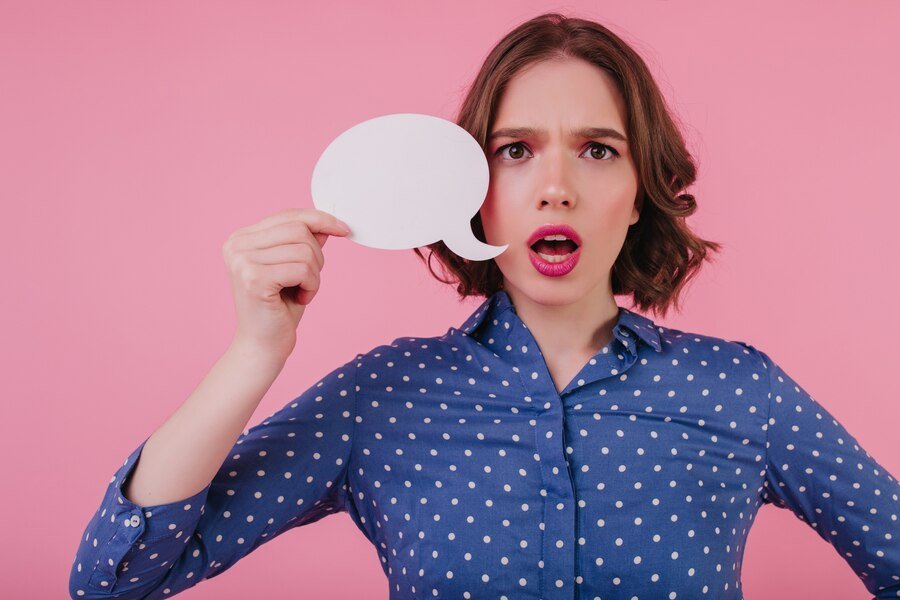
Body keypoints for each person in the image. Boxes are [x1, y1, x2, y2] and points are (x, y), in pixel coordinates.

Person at [69, 12, 899, 600]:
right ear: (469, 188)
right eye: (515, 151)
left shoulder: (741, 393)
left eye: (597, 150)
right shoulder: (381, 397)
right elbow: (116, 577)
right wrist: (255, 351)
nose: (555, 188)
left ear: (640, 192)